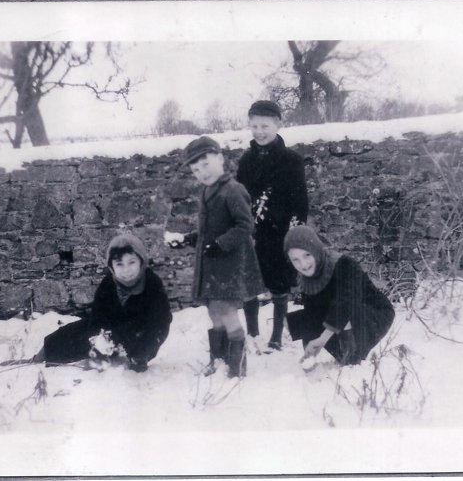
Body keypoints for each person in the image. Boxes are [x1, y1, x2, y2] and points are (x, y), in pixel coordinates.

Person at [166, 136, 264, 378]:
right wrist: (191, 238)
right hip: (212, 266)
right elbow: (210, 228)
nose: (202, 172)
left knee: (228, 312)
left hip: (229, 265)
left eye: (206, 164)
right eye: (196, 169)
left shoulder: (233, 190)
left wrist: (221, 244)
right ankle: (219, 359)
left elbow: (245, 226)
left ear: (220, 159)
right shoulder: (207, 191)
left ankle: (236, 367)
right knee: (214, 311)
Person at [31, 234, 172, 373]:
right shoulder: (109, 284)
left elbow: (160, 324)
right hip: (113, 332)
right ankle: (43, 355)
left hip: (141, 336)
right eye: (119, 264)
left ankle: (131, 362)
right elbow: (98, 315)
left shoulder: (152, 284)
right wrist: (99, 339)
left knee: (133, 352)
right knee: (72, 334)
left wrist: (143, 351)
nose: (126, 270)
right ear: (112, 267)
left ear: (141, 261)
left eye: (132, 262)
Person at [236, 100, 308, 351]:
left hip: (280, 234)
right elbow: (239, 197)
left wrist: (296, 234)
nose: (259, 131)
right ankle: (253, 333)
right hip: (252, 233)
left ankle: (276, 336)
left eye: (265, 125)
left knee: (279, 283)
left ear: (278, 124)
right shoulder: (246, 160)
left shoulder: (291, 160)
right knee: (249, 282)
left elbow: (300, 200)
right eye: (254, 126)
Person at [283, 225, 395, 365]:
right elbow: (312, 313)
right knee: (295, 321)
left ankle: (351, 356)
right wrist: (309, 350)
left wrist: (323, 339)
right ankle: (339, 351)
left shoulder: (344, 264)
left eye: (307, 255)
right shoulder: (306, 278)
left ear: (315, 250)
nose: (303, 265)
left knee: (342, 311)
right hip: (341, 314)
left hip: (373, 312)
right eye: (296, 260)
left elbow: (347, 301)